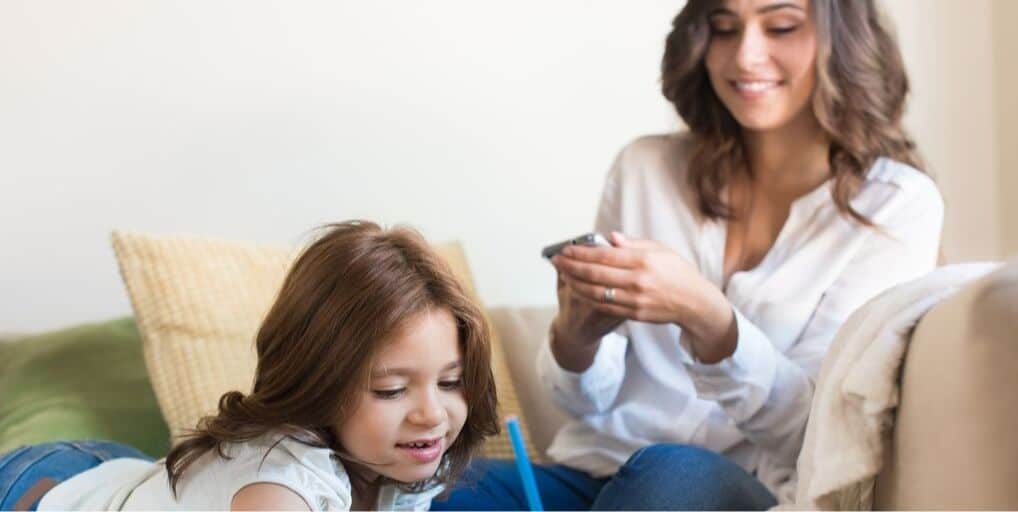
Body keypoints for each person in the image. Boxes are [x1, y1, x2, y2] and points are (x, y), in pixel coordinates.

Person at [432, 0, 942, 509]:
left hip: (733, 490)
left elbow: (819, 437)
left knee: (669, 471)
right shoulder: (645, 168)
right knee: (429, 487)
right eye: (723, 28)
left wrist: (711, 320)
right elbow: (581, 405)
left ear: (843, 40)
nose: (744, 56)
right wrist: (575, 338)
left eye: (781, 26)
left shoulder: (896, 206)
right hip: (592, 478)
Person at [0, 221, 499, 510]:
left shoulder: (398, 466)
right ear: (317, 384)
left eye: (451, 382)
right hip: (43, 487)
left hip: (128, 479)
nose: (432, 413)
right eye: (391, 390)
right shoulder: (279, 488)